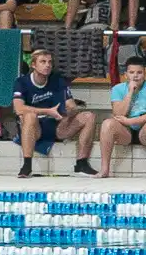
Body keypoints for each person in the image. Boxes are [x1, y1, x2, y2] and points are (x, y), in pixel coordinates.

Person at [12, 48, 99, 178]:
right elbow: (19, 108)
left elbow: (71, 104)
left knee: (89, 116)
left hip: (56, 125)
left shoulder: (58, 80)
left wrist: (70, 110)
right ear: (33, 65)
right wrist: (47, 111)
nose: (47, 65)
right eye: (43, 62)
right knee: (29, 116)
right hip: (34, 128)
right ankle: (27, 165)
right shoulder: (21, 82)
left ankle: (81, 163)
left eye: (49, 62)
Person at [97, 70, 146, 179]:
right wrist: (130, 92)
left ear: (144, 74)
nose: (135, 76)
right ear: (126, 75)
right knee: (107, 124)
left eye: (139, 72)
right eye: (131, 72)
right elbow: (118, 114)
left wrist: (130, 121)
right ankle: (104, 169)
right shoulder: (118, 89)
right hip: (125, 132)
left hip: (144, 131)